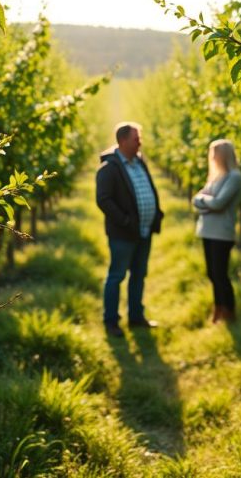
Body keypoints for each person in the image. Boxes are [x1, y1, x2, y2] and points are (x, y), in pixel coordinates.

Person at [96, 122, 164, 337]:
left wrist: (156, 213)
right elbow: (104, 200)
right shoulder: (109, 168)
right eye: (136, 139)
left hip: (144, 231)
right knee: (116, 276)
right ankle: (111, 321)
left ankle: (136, 317)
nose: (140, 142)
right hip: (123, 234)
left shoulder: (139, 162)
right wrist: (125, 221)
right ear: (123, 141)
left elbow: (147, 188)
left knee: (139, 275)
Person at [192, 139, 241, 323]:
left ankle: (229, 311)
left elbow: (219, 203)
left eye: (216, 153)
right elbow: (196, 199)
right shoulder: (217, 176)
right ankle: (219, 308)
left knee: (221, 274)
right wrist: (208, 202)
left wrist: (205, 201)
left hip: (222, 233)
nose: (212, 157)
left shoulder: (234, 177)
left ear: (224, 155)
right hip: (207, 231)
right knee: (212, 274)